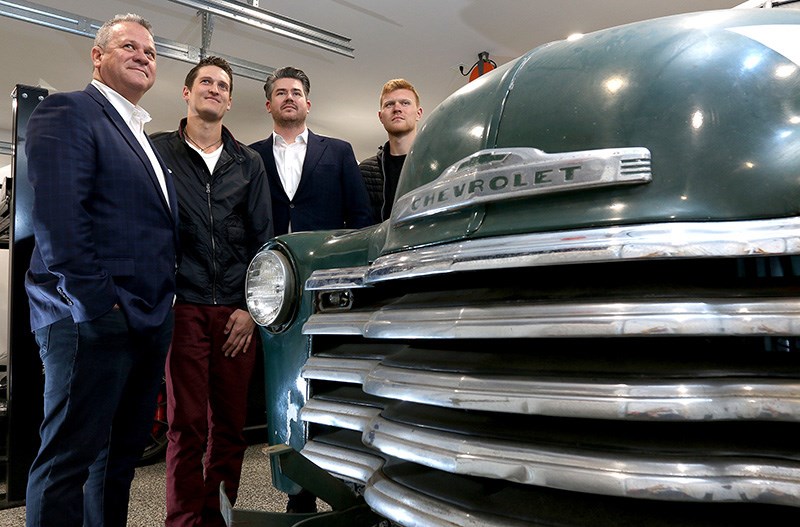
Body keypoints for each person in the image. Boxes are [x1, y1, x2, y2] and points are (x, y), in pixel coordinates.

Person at [23, 13, 178, 527]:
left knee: (116, 463)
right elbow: (59, 218)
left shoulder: (143, 139)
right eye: (130, 47)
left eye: (151, 52)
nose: (143, 57)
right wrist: (97, 304)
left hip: (145, 320)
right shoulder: (68, 112)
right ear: (98, 55)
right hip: (87, 317)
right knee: (67, 460)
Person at [150, 56, 273, 527]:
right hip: (183, 307)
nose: (215, 90)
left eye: (223, 85)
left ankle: (217, 519)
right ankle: (182, 521)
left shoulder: (249, 163)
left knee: (229, 429)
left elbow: (263, 240)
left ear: (229, 98)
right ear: (187, 92)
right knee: (185, 427)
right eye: (206, 82)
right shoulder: (158, 151)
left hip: (235, 316)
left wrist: (249, 308)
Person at [249, 66, 373, 236]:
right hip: (270, 257)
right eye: (281, 93)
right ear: (268, 105)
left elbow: (360, 214)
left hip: (327, 257)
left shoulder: (339, 152)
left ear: (308, 105)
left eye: (296, 93)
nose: (289, 98)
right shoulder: (251, 156)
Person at [359, 79, 423, 223]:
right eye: (389, 104)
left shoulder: (438, 162)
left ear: (418, 113)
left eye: (405, 103)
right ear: (381, 117)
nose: (397, 108)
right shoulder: (365, 171)